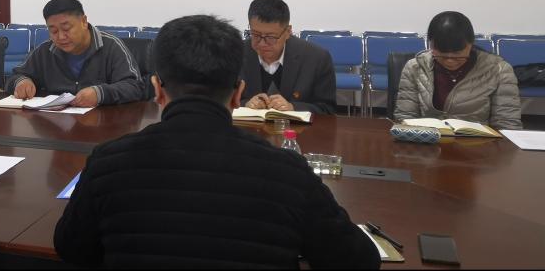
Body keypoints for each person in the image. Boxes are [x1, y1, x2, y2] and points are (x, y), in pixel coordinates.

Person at [54, 15, 380, 269]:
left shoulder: (107, 163)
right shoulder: (289, 171)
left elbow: (72, 249)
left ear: (157, 89)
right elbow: (357, 260)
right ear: (238, 93)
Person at [6, 0, 147, 107]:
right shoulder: (45, 51)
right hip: (56, 125)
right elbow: (15, 76)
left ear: (84, 22)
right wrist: (21, 82)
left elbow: (135, 87)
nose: (61, 37)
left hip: (104, 124)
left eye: (66, 28)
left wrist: (100, 94)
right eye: (53, 31)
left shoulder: (111, 46)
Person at [395, 11, 522, 129]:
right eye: (442, 54)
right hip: (428, 140)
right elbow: (406, 118)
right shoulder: (415, 67)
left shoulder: (498, 70)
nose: (449, 61)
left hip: (478, 142)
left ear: (470, 44)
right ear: (431, 44)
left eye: (457, 54)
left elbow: (507, 125)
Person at [241, 0, 337, 113]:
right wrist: (245, 104)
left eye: (271, 37)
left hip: (298, 125)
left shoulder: (317, 58)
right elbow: (223, 101)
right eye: (255, 35)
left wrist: (293, 107)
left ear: (288, 32)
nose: (262, 43)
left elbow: (328, 109)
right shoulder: (235, 53)